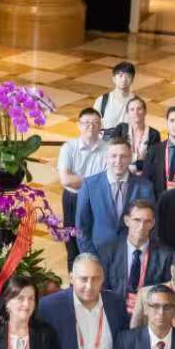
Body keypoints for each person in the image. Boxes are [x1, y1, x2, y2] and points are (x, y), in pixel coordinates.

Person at [99, 198, 172, 321]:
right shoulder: (108, 251)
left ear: (153, 224)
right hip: (115, 313)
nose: (141, 226)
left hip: (149, 316)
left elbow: (166, 292)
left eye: (147, 221)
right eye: (137, 220)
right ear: (127, 220)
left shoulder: (166, 255)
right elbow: (103, 288)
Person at [74, 138, 149, 253]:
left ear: (130, 158)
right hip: (98, 254)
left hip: (132, 255)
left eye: (123, 156)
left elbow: (150, 224)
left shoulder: (145, 186)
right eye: (113, 156)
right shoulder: (89, 185)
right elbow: (81, 227)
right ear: (106, 158)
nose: (118, 161)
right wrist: (90, 256)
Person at [57, 107, 109, 257]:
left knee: (94, 239)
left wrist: (79, 180)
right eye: (86, 123)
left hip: (97, 199)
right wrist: (94, 181)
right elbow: (65, 179)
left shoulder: (108, 149)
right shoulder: (68, 148)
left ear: (100, 126)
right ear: (79, 125)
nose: (90, 127)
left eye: (95, 123)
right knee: (71, 240)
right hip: (73, 198)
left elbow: (107, 181)